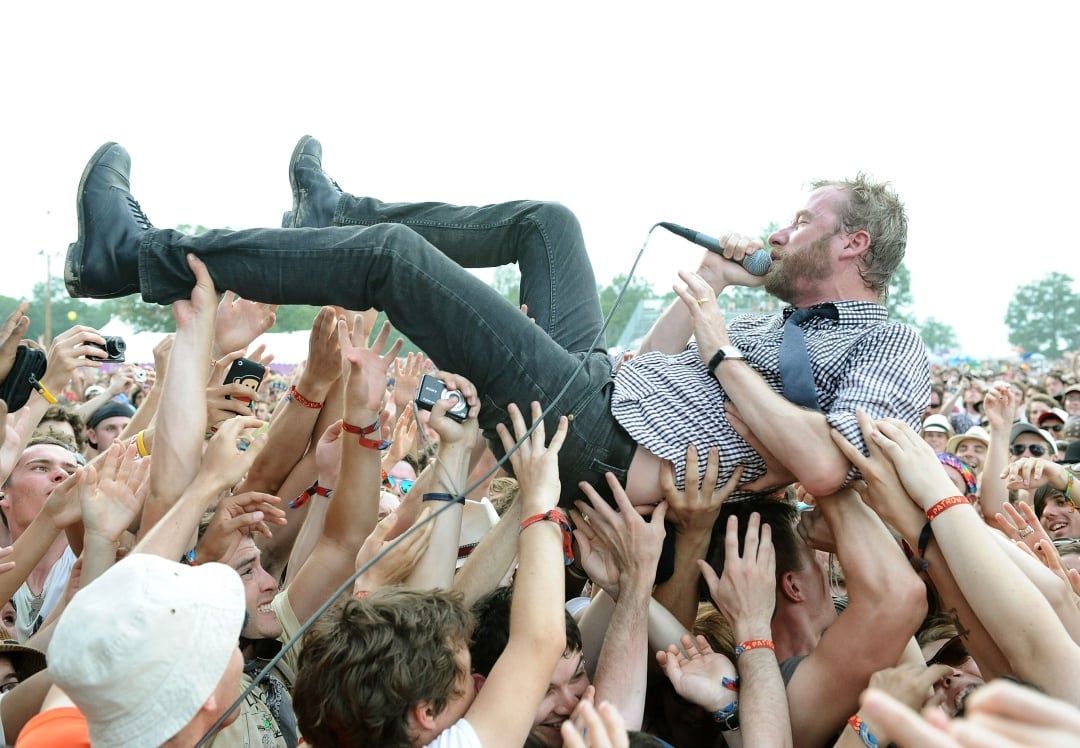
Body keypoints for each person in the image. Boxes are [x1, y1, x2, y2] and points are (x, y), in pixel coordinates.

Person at [65, 138, 930, 507]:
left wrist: (722, 356)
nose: (781, 230)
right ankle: (332, 212)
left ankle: (138, 256)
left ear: (853, 244)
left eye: (804, 221)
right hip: (607, 388)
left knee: (394, 262)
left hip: (606, 447)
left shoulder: (889, 347)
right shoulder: (758, 318)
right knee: (548, 222)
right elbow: (656, 364)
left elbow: (823, 465)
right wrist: (700, 288)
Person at [16, 553, 246, 747]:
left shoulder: (57, 735)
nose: (239, 650)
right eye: (231, 642)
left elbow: (106, 645)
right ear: (202, 691)